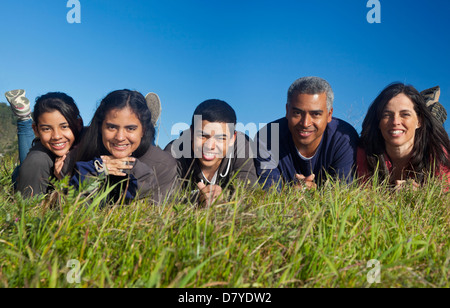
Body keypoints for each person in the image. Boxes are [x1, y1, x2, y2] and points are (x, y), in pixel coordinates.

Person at [71, 89, 177, 205]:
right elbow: (67, 204)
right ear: (101, 127)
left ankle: (151, 126)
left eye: (130, 128)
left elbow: (153, 215)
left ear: (143, 130)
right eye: (112, 127)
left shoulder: (163, 164)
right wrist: (95, 170)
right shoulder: (81, 147)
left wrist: (135, 172)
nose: (120, 137)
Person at [255, 77, 359, 191]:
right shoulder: (267, 137)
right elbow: (268, 194)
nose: (305, 123)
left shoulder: (344, 138)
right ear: (287, 111)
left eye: (315, 114)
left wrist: (315, 194)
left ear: (329, 115)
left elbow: (342, 193)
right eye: (297, 113)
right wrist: (291, 194)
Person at [165, 99, 258, 207]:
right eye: (203, 136)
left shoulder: (243, 147)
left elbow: (249, 194)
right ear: (191, 133)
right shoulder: (174, 151)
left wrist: (223, 199)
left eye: (221, 138)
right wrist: (199, 199)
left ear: (233, 138)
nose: (210, 146)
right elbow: (163, 197)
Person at [357, 83, 450, 189]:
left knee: (433, 129)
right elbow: (364, 194)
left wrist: (420, 195)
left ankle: (431, 111)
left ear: (419, 121)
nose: (395, 122)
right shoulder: (365, 152)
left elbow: (444, 196)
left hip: (428, 136)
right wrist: (393, 194)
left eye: (405, 114)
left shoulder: (438, 153)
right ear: (378, 121)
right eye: (387, 115)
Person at [4, 90, 84, 198]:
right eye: (46, 129)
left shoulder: (89, 144)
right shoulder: (36, 160)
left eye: (64, 126)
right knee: (34, 161)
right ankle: (23, 120)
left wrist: (64, 181)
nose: (56, 136)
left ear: (79, 124)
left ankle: (23, 118)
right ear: (36, 130)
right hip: (26, 175)